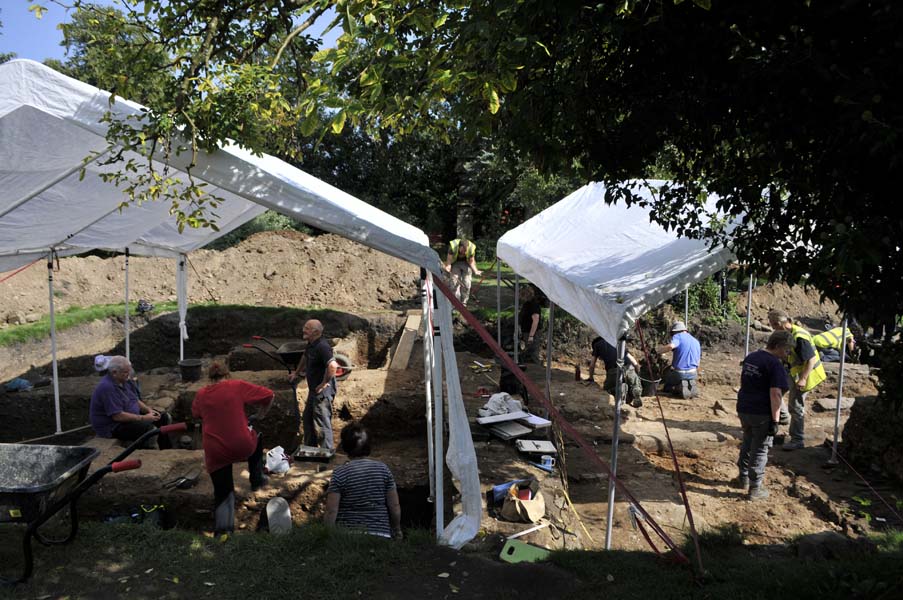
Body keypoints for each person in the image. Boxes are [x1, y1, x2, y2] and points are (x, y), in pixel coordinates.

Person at [192, 362, 274, 535]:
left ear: (210, 377)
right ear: (227, 375)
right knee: (257, 437)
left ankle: (224, 534)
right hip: (242, 445)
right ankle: (257, 479)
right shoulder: (236, 386)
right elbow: (269, 395)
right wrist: (261, 414)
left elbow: (196, 414)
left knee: (223, 492)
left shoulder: (201, 394)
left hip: (215, 450)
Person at [735, 330, 791, 501]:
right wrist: (775, 420)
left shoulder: (752, 357)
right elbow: (775, 394)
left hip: (744, 407)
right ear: (779, 346)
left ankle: (743, 478)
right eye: (787, 350)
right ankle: (755, 489)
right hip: (761, 412)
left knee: (748, 441)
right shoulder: (774, 364)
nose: (788, 354)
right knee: (760, 449)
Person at [324, 422, 402, 539]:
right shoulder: (383, 470)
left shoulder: (339, 473)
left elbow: (331, 510)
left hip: (348, 538)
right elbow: (394, 505)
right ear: (369, 445)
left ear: (345, 447)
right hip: (381, 535)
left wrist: (328, 536)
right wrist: (397, 529)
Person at [767, 309, 827, 451]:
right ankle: (783, 417)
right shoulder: (789, 333)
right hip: (795, 372)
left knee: (796, 406)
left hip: (808, 375)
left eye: (773, 326)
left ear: (779, 323)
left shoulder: (799, 337)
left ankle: (797, 439)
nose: (773, 329)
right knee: (775, 390)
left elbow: (811, 361)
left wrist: (803, 379)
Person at [89, 355, 172, 449]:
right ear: (114, 372)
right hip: (113, 426)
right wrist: (144, 418)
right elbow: (117, 416)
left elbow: (135, 399)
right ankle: (148, 453)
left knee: (163, 417)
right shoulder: (107, 387)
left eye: (129, 371)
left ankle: (166, 449)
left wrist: (148, 410)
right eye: (125, 372)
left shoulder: (124, 380)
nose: (129, 374)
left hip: (127, 414)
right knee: (150, 430)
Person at [289, 319, 338, 450]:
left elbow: (333, 366)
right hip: (313, 390)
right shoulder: (311, 344)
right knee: (308, 419)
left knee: (322, 423)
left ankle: (327, 452)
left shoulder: (322, 346)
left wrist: (324, 383)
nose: (303, 330)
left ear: (315, 332)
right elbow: (305, 356)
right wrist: (296, 372)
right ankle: (310, 449)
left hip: (322, 391)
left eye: (307, 328)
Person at [586, 336, 643, 408]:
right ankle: (635, 390)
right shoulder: (616, 341)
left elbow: (592, 365)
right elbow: (634, 362)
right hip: (629, 368)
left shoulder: (597, 345)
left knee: (607, 390)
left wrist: (591, 377)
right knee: (635, 384)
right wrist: (637, 374)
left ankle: (618, 390)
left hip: (614, 370)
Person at [657, 321, 701, 399]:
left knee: (668, 381)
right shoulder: (696, 341)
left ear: (676, 331)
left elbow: (671, 346)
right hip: (693, 373)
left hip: (679, 373)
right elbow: (698, 362)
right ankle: (688, 383)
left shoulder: (678, 336)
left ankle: (679, 388)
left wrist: (658, 351)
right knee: (688, 376)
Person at [444, 237, 482, 306]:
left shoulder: (471, 248)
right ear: (459, 247)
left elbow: (471, 261)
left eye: (465, 251)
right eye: (463, 250)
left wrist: (475, 270)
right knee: (454, 282)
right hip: (455, 263)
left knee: (467, 283)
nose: (464, 252)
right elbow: (449, 259)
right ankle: (455, 303)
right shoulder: (452, 247)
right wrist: (448, 266)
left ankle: (464, 303)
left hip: (466, 263)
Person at [518, 285, 542, 364]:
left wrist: (531, 336)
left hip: (532, 333)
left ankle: (536, 370)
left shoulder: (533, 304)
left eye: (521, 294)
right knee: (527, 352)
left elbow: (535, 320)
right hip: (526, 331)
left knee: (533, 353)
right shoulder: (527, 303)